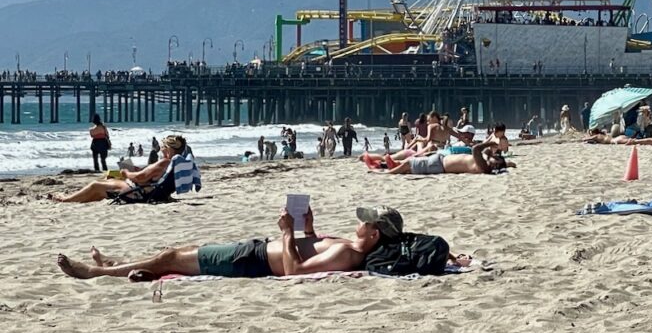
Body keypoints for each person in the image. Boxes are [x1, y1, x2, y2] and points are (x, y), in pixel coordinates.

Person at [57, 205, 403, 281]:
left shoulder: (347, 253)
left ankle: (95, 273)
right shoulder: (349, 248)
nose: (360, 222)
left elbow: (295, 270)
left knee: (171, 256)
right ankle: (118, 265)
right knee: (174, 256)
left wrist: (285, 233)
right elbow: (311, 252)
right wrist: (308, 230)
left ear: (374, 234)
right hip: (252, 252)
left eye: (366, 222)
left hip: (251, 260)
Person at [53, 135, 186, 203]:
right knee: (105, 182)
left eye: (163, 146)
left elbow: (140, 178)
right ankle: (76, 199)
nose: (161, 148)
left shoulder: (165, 162)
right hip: (147, 191)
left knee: (95, 185)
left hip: (138, 193)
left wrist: (127, 172)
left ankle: (67, 200)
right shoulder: (175, 162)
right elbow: (149, 176)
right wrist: (136, 170)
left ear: (168, 149)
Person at [373, 141, 512, 175]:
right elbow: (487, 153)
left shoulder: (484, 167)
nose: (494, 159)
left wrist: (490, 143)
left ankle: (387, 172)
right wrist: (508, 163)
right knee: (410, 166)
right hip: (440, 162)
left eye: (496, 160)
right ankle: (385, 165)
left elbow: (477, 149)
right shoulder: (486, 162)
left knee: (409, 164)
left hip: (439, 165)